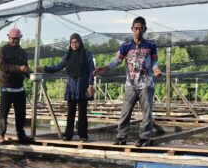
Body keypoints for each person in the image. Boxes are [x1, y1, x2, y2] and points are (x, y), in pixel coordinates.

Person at [94, 16, 162, 147]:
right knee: (125, 112)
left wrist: (156, 69)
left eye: (141, 28)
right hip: (130, 85)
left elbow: (154, 61)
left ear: (145, 29)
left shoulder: (151, 45)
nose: (138, 31)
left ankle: (144, 138)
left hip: (146, 84)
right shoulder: (126, 46)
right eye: (136, 28)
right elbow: (117, 60)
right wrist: (106, 67)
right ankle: (121, 137)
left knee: (147, 113)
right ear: (132, 29)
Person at [37, 33, 95, 141]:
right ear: (70, 43)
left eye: (76, 42)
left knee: (82, 112)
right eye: (72, 42)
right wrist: (44, 68)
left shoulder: (86, 53)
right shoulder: (67, 56)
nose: (74, 44)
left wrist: (91, 84)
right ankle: (68, 135)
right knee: (70, 112)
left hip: (83, 86)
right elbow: (57, 67)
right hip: (72, 87)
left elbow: (92, 69)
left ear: (80, 42)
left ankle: (83, 135)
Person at [0, 28, 33, 144]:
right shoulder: (3, 50)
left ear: (20, 38)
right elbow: (2, 66)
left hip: (19, 86)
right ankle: (1, 134)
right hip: (6, 86)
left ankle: (20, 134)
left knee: (21, 113)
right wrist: (19, 68)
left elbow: (25, 68)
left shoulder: (23, 52)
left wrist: (28, 71)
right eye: (13, 39)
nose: (15, 41)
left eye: (17, 39)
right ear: (9, 37)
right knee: (4, 113)